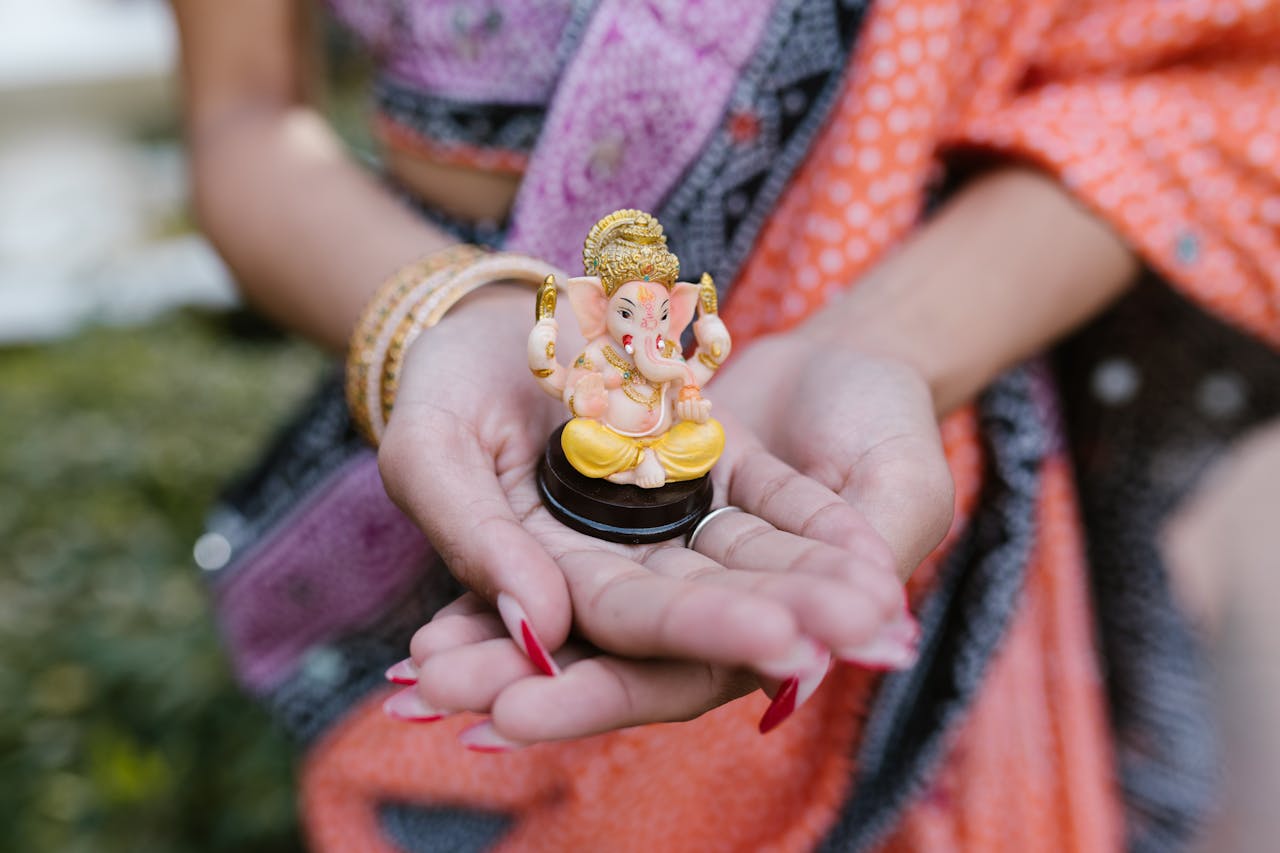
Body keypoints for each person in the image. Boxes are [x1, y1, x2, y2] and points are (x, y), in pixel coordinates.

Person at [172, 1, 1280, 850]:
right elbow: (242, 119)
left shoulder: (672, 338)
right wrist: (450, 316)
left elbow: (1208, 84)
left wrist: (890, 342)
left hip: (936, 475)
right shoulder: (580, 346)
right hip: (467, 450)